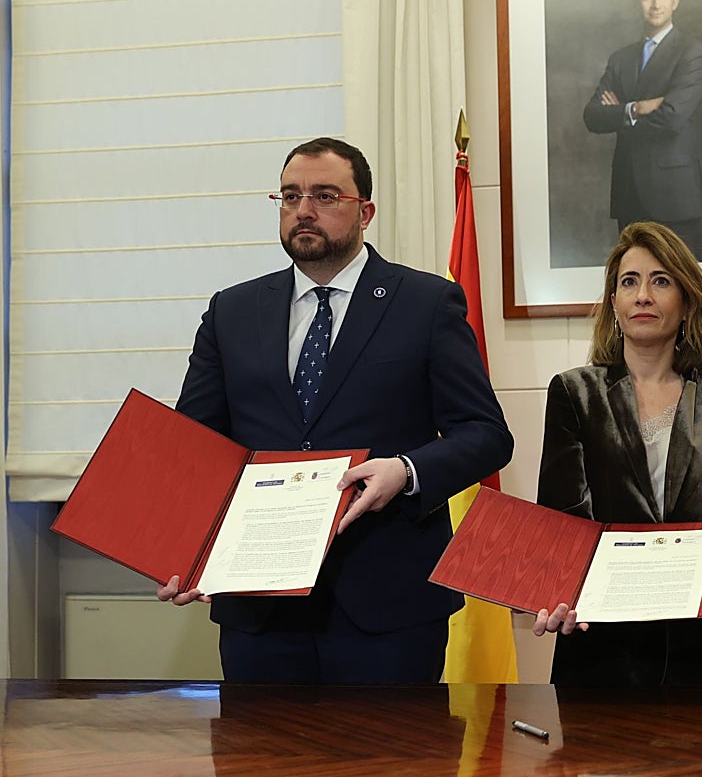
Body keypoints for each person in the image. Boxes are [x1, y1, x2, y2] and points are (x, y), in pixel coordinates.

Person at [156, 137, 514, 684]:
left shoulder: (424, 303)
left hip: (388, 606)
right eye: (290, 195)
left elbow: (487, 435)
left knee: (391, 771)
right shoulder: (232, 310)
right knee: (262, 770)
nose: (303, 210)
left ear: (364, 211)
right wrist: (185, 548)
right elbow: (193, 446)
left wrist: (408, 470)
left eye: (325, 195)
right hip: (259, 608)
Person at [534, 221, 702, 685]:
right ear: (613, 304)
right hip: (601, 641)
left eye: (660, 281)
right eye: (629, 282)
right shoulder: (574, 392)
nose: (642, 295)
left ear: (686, 302)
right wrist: (553, 592)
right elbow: (559, 520)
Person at [583, 0, 702, 254]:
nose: (655, 4)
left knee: (681, 290)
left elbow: (673, 117)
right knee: (632, 290)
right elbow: (592, 115)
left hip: (675, 197)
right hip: (629, 195)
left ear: (675, 1)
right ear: (638, 2)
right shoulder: (621, 59)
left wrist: (619, 114)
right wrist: (635, 108)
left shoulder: (692, 52)